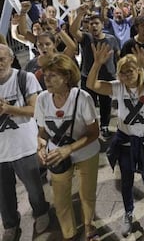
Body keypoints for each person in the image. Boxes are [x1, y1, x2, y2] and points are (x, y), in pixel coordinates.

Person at [86, 43, 144, 238]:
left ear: (138, 70)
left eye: (130, 70)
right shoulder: (117, 87)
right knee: (127, 181)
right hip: (125, 142)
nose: (125, 75)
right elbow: (91, 85)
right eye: (122, 72)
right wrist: (97, 64)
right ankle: (128, 213)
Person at [35, 54, 100, 241]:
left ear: (66, 77)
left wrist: (69, 149)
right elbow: (42, 131)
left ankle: (88, 226)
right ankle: (69, 234)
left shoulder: (82, 98)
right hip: (56, 155)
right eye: (45, 75)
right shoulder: (42, 99)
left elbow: (94, 133)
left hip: (86, 153)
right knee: (61, 199)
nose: (46, 80)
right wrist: (41, 144)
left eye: (52, 75)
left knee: (87, 193)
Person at [0, 45, 50, 241]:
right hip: (1, 152)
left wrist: (9, 109)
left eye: (1, 59)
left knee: (34, 188)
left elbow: (34, 110)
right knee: (4, 195)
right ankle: (11, 224)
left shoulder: (24, 78)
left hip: (25, 147)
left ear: (11, 59)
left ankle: (41, 212)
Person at [70, 8, 120, 138]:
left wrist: (118, 73)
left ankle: (104, 126)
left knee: (105, 104)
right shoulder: (86, 38)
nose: (94, 26)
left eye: (97, 23)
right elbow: (73, 31)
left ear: (102, 25)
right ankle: (90, 127)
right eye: (91, 24)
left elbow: (118, 57)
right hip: (88, 77)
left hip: (107, 77)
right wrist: (80, 14)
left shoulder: (111, 39)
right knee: (88, 104)